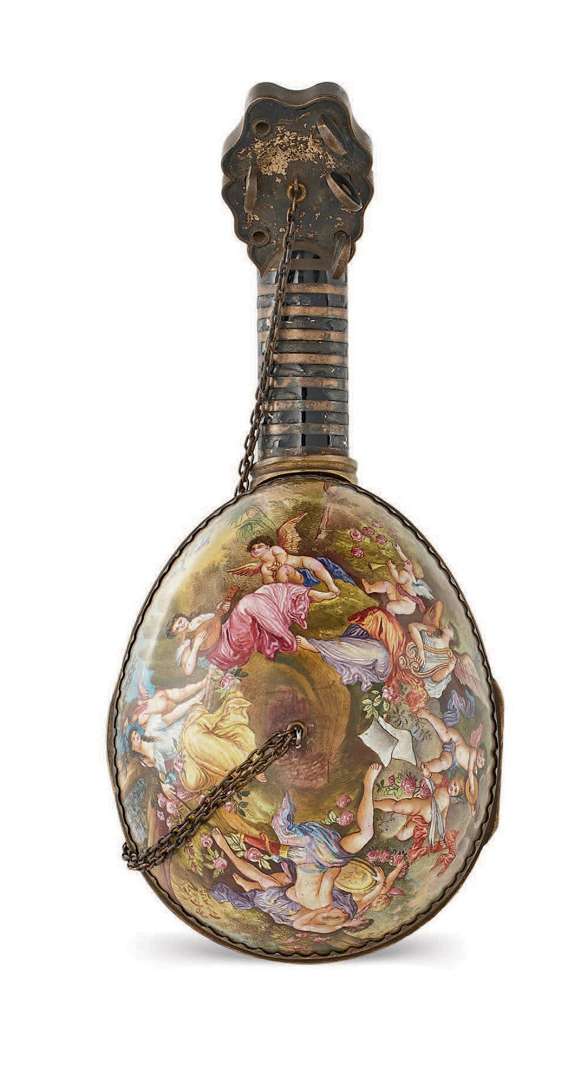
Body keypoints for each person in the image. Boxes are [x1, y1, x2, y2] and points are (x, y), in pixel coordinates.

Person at [210, 764, 383, 931]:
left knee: (365, 834)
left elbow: (331, 875)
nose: (342, 911)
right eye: (344, 913)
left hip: (315, 856)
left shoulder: (324, 903)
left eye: (341, 914)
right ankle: (367, 784)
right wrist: (377, 883)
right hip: (309, 858)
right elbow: (296, 892)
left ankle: (367, 784)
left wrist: (346, 871)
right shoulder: (312, 904)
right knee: (363, 834)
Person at [168, 578, 338, 676]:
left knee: (265, 592)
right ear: (177, 633)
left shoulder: (200, 620)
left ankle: (306, 596)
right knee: (248, 602)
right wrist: (196, 646)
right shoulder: (186, 645)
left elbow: (217, 622)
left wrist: (222, 610)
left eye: (179, 621)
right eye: (177, 627)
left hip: (228, 629)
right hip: (228, 648)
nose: (181, 624)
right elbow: (188, 670)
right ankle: (287, 639)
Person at [419, 706, 485, 813]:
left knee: (444, 763)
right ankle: (428, 715)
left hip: (452, 757)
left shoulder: (472, 772)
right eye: (481, 756)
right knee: (445, 735)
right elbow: (470, 773)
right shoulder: (473, 753)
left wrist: (472, 805)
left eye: (482, 762)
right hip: (456, 740)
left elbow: (470, 793)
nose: (481, 759)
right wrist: (472, 785)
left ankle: (426, 767)